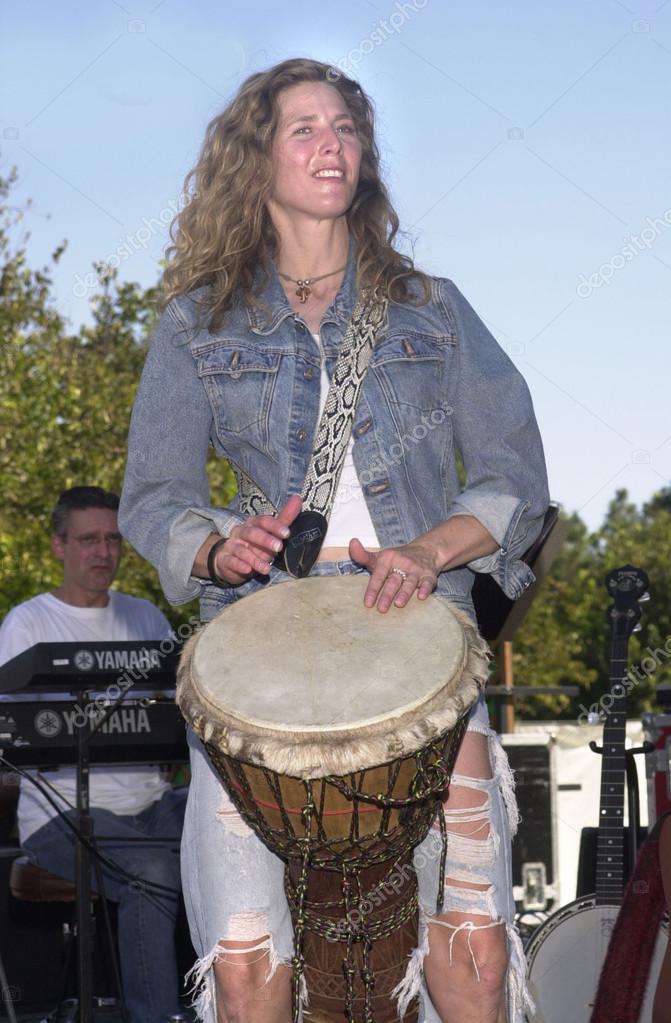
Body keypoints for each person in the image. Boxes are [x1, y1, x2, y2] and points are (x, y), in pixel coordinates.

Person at [119, 58, 549, 1023]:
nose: (333, 143)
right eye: (305, 127)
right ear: (255, 158)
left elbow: (514, 476)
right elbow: (154, 497)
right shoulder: (196, 324)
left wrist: (429, 550)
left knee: (471, 942)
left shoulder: (430, 309)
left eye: (347, 126)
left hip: (423, 630)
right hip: (256, 643)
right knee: (241, 959)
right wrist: (213, 548)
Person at [0, 486, 188, 1023]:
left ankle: (229, 1000)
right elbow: (10, 737)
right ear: (60, 546)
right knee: (151, 867)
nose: (103, 552)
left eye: (112, 539)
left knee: (229, 827)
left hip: (151, 804)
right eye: (88, 540)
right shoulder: (27, 625)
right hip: (62, 816)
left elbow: (173, 716)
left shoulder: (145, 617)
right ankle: (158, 1016)